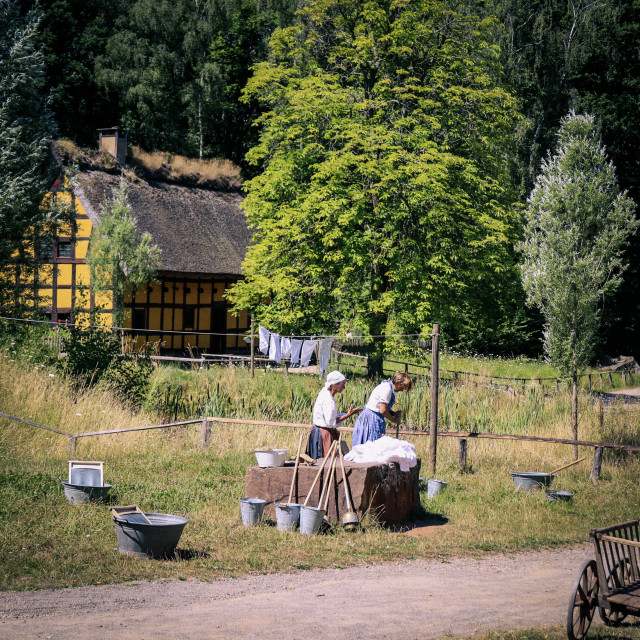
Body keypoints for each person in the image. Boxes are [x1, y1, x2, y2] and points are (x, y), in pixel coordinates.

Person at [307, 371, 361, 458]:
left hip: (319, 431)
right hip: (324, 434)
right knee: (327, 460)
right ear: (334, 385)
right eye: (342, 384)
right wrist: (348, 415)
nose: (344, 387)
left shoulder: (324, 392)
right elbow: (331, 422)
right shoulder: (328, 400)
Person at [352, 372, 413, 446]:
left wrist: (393, 413)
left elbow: (381, 406)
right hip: (372, 418)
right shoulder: (387, 389)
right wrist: (394, 420)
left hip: (373, 415)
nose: (402, 389)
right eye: (403, 387)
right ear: (398, 383)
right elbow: (382, 410)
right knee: (372, 445)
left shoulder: (387, 386)